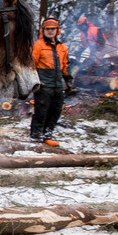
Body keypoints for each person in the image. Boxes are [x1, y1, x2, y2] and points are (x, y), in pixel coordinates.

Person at [30, 17, 74, 146]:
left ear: (57, 31)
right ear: (43, 30)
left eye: (52, 29)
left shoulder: (62, 48)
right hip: (44, 85)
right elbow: (32, 64)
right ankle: (35, 137)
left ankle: (47, 135)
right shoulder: (38, 45)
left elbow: (65, 65)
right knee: (41, 112)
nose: (50, 31)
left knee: (55, 112)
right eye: (47, 29)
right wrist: (36, 81)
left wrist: (69, 81)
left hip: (57, 85)